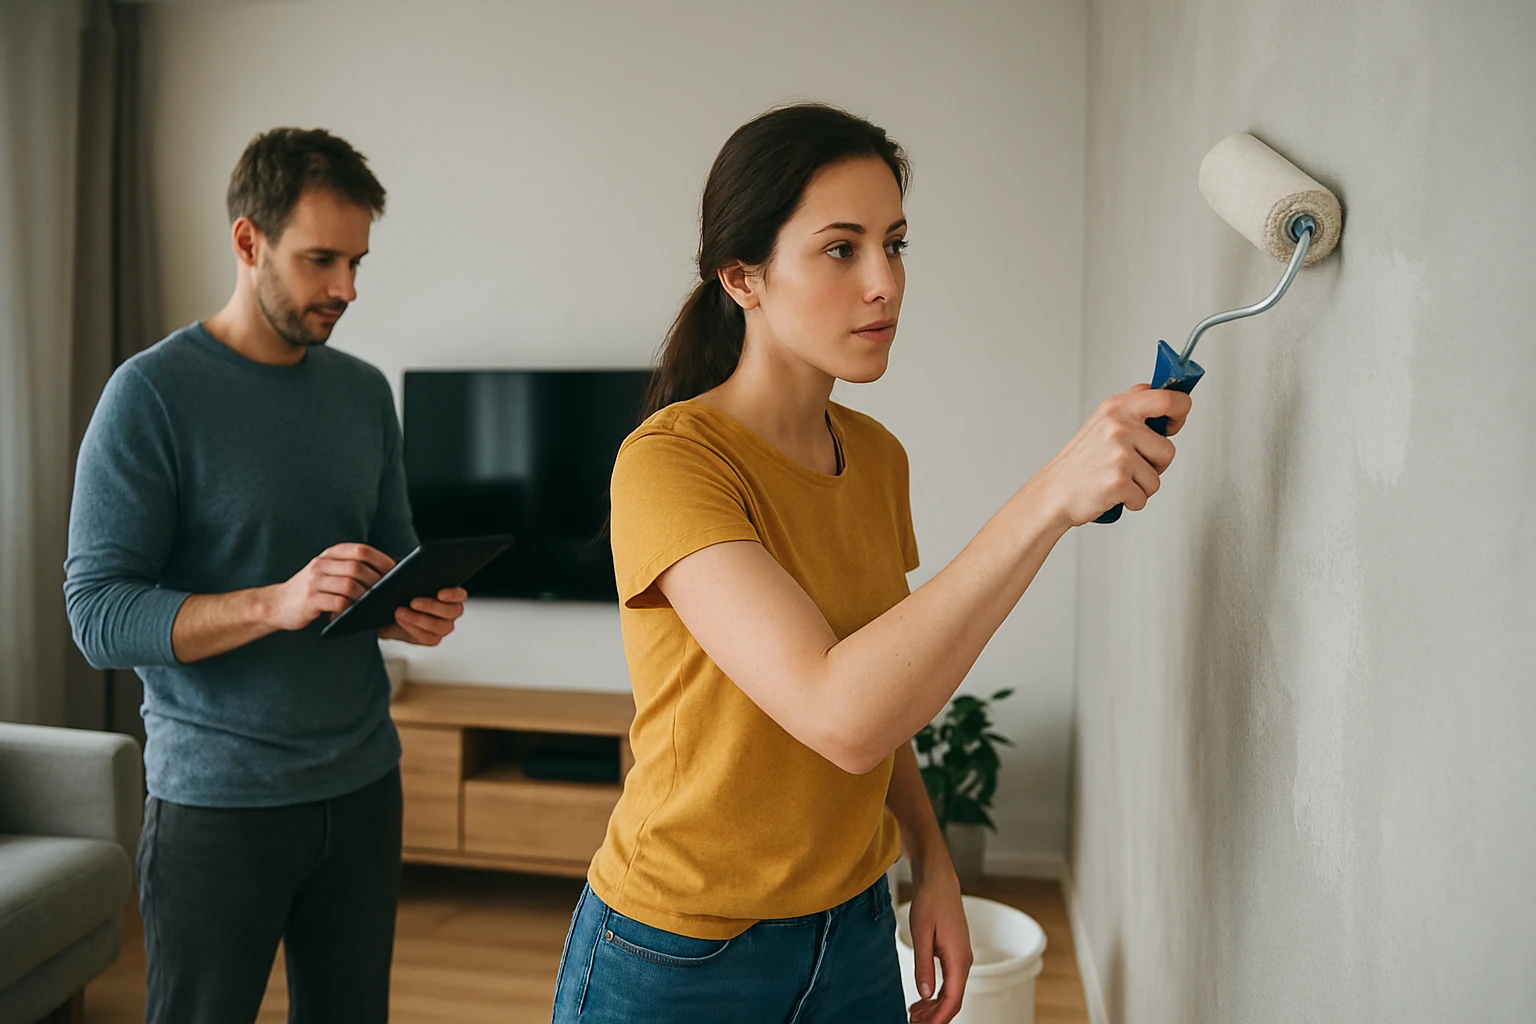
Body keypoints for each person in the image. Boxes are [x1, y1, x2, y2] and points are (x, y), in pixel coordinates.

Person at [551, 103, 1191, 1024]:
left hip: (851, 927)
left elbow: (883, 689)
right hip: (678, 951)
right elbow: (838, 712)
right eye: (841, 249)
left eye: (894, 244)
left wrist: (931, 863)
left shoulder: (876, 455)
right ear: (744, 276)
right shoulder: (670, 463)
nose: (884, 282)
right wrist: (1051, 495)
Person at [64, 127, 466, 1024]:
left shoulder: (364, 393)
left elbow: (388, 556)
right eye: (321, 260)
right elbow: (96, 613)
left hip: (364, 783)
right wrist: (274, 602)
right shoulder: (151, 395)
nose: (346, 289)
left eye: (357, 261)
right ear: (248, 243)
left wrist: (413, 608)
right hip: (218, 803)